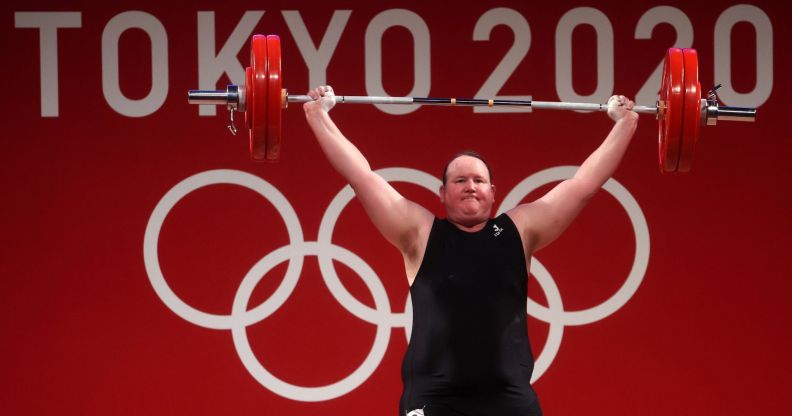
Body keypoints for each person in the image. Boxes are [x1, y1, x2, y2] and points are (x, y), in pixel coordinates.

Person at [303, 85, 639, 416]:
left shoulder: (520, 230)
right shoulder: (420, 233)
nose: (470, 187)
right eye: (460, 181)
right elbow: (362, 177)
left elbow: (583, 186)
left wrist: (625, 124)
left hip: (508, 399)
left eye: (478, 181)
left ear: (492, 192)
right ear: (442, 193)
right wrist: (318, 116)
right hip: (434, 399)